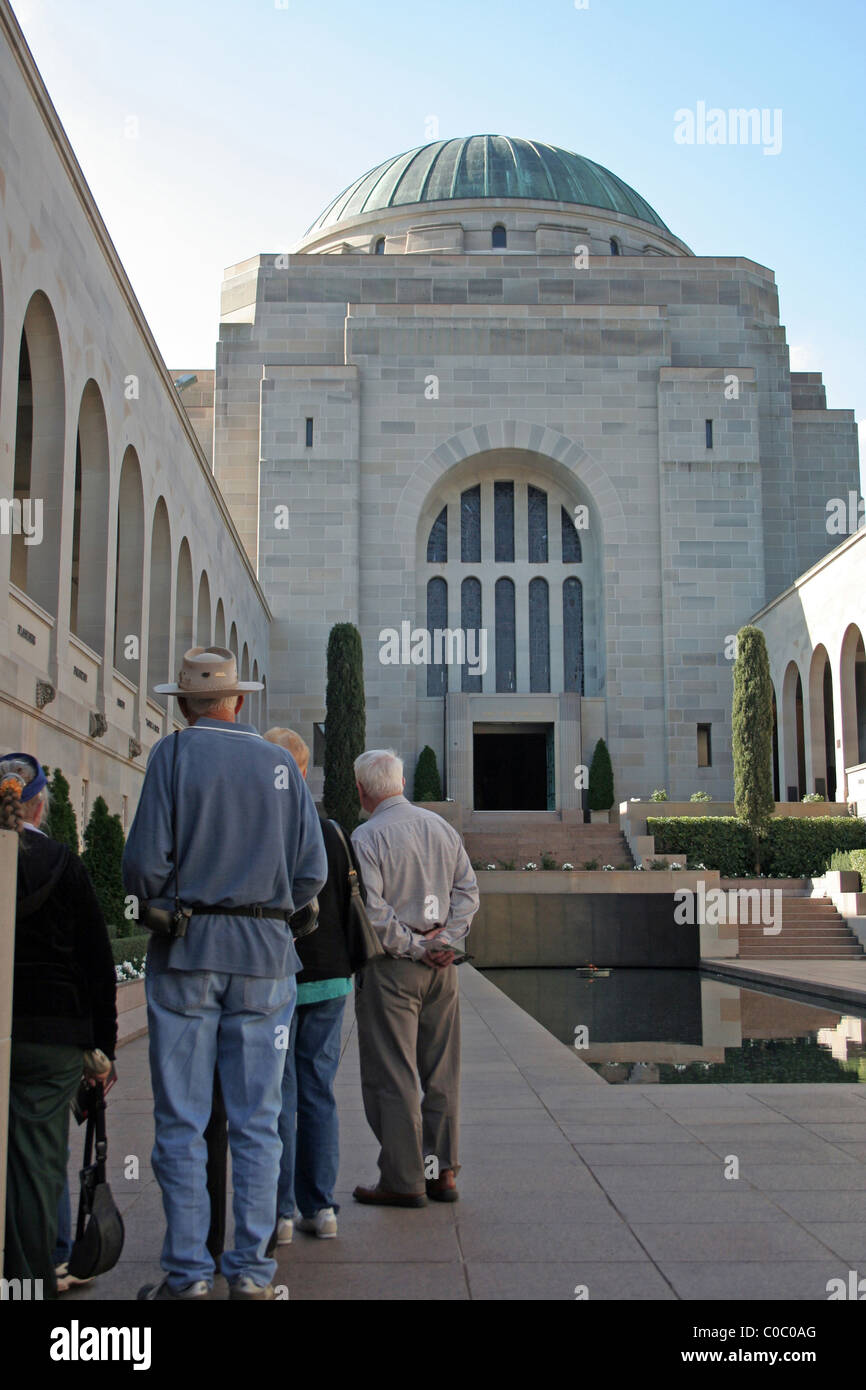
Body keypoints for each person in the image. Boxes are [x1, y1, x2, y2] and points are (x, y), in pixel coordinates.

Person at [123, 647, 327, 1300]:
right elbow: (311, 871)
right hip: (266, 963)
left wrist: (189, 893)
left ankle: (187, 1275)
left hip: (187, 957)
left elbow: (142, 869)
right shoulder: (279, 763)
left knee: (182, 1124)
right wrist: (266, 912)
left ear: (183, 703)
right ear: (239, 700)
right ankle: (251, 1272)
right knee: (258, 1122)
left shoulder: (173, 756)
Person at [1, 753, 117, 1297]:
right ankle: (27, 1283)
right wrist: (103, 1049)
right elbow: (97, 964)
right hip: (52, 1038)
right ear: (41, 806)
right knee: (37, 1165)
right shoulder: (64, 863)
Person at [350, 750, 479, 1206]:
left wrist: (416, 946)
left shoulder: (365, 837)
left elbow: (374, 910)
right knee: (442, 1071)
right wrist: (446, 941)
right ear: (401, 782)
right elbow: (468, 891)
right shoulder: (441, 828)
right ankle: (441, 1172)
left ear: (363, 791)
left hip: (394, 969)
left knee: (394, 1073)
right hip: (442, 970)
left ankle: (403, 1180)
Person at [264, 728, 365, 1242]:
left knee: (278, 1095)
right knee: (318, 1091)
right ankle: (320, 1208)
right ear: (305, 771)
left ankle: (280, 1214)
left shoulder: (261, 823)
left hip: (276, 978)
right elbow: (351, 902)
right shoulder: (331, 830)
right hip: (329, 979)